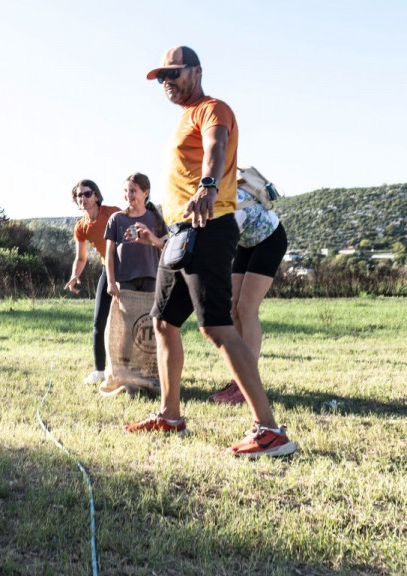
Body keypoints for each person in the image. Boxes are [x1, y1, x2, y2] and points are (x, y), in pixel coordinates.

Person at [125, 46, 296, 458]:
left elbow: (217, 145)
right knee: (163, 321)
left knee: (216, 326)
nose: (167, 82)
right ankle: (170, 416)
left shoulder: (212, 109)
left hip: (210, 226)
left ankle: (270, 430)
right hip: (183, 232)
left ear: (196, 72)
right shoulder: (184, 116)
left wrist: (208, 185)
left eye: (173, 73)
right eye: (161, 77)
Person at [210, 172, 289, 404]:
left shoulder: (233, 203)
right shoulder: (216, 199)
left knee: (246, 308)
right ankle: (239, 379)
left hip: (270, 240)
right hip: (248, 243)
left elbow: (222, 246)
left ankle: (248, 383)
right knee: (233, 309)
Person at [64, 180, 120, 386]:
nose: (83, 199)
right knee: (99, 321)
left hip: (127, 269)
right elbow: (80, 258)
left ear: (96, 196)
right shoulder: (81, 227)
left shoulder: (113, 213)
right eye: (79, 196)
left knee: (128, 321)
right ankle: (99, 370)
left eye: (87, 194)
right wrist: (74, 275)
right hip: (107, 269)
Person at [104, 172, 166, 299]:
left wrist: (163, 280)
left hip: (151, 277)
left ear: (146, 193)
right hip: (124, 279)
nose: (128, 195)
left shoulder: (156, 218)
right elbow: (109, 253)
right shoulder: (116, 219)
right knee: (127, 318)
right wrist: (111, 282)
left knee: (148, 318)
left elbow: (164, 248)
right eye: (126, 190)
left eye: (133, 191)